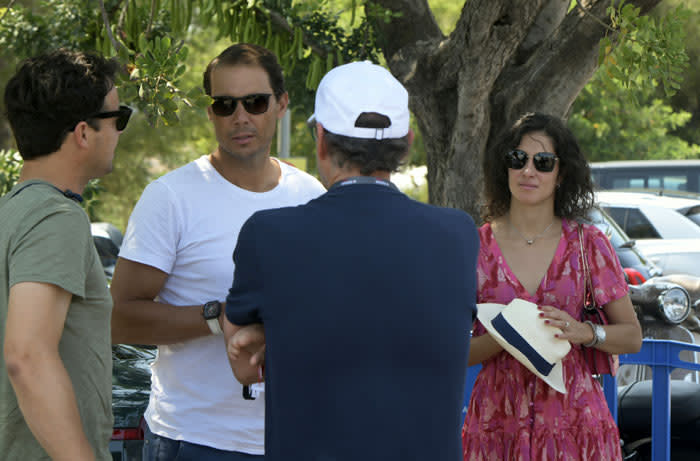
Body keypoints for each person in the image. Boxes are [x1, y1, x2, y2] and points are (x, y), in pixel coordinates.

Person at [224, 60, 480, 461]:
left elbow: (243, 361)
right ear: (408, 141)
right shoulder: (459, 235)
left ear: (321, 139)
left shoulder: (268, 234)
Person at [110, 43, 325, 460]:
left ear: (281, 105)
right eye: (224, 104)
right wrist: (218, 317)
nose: (240, 117)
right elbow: (119, 320)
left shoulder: (310, 194)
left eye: (255, 102)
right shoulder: (170, 197)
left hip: (296, 434)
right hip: (197, 439)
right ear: (210, 112)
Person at [461, 113, 643, 460]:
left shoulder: (588, 244)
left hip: (576, 424)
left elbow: (632, 337)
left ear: (561, 174)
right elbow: (457, 353)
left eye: (543, 162)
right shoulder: (473, 246)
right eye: (518, 159)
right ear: (505, 167)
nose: (528, 171)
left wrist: (585, 333)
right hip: (497, 426)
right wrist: (509, 333)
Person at [0, 49, 130, 460]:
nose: (119, 132)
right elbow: (27, 355)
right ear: (83, 133)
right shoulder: (56, 217)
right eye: (117, 118)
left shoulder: (13, 211)